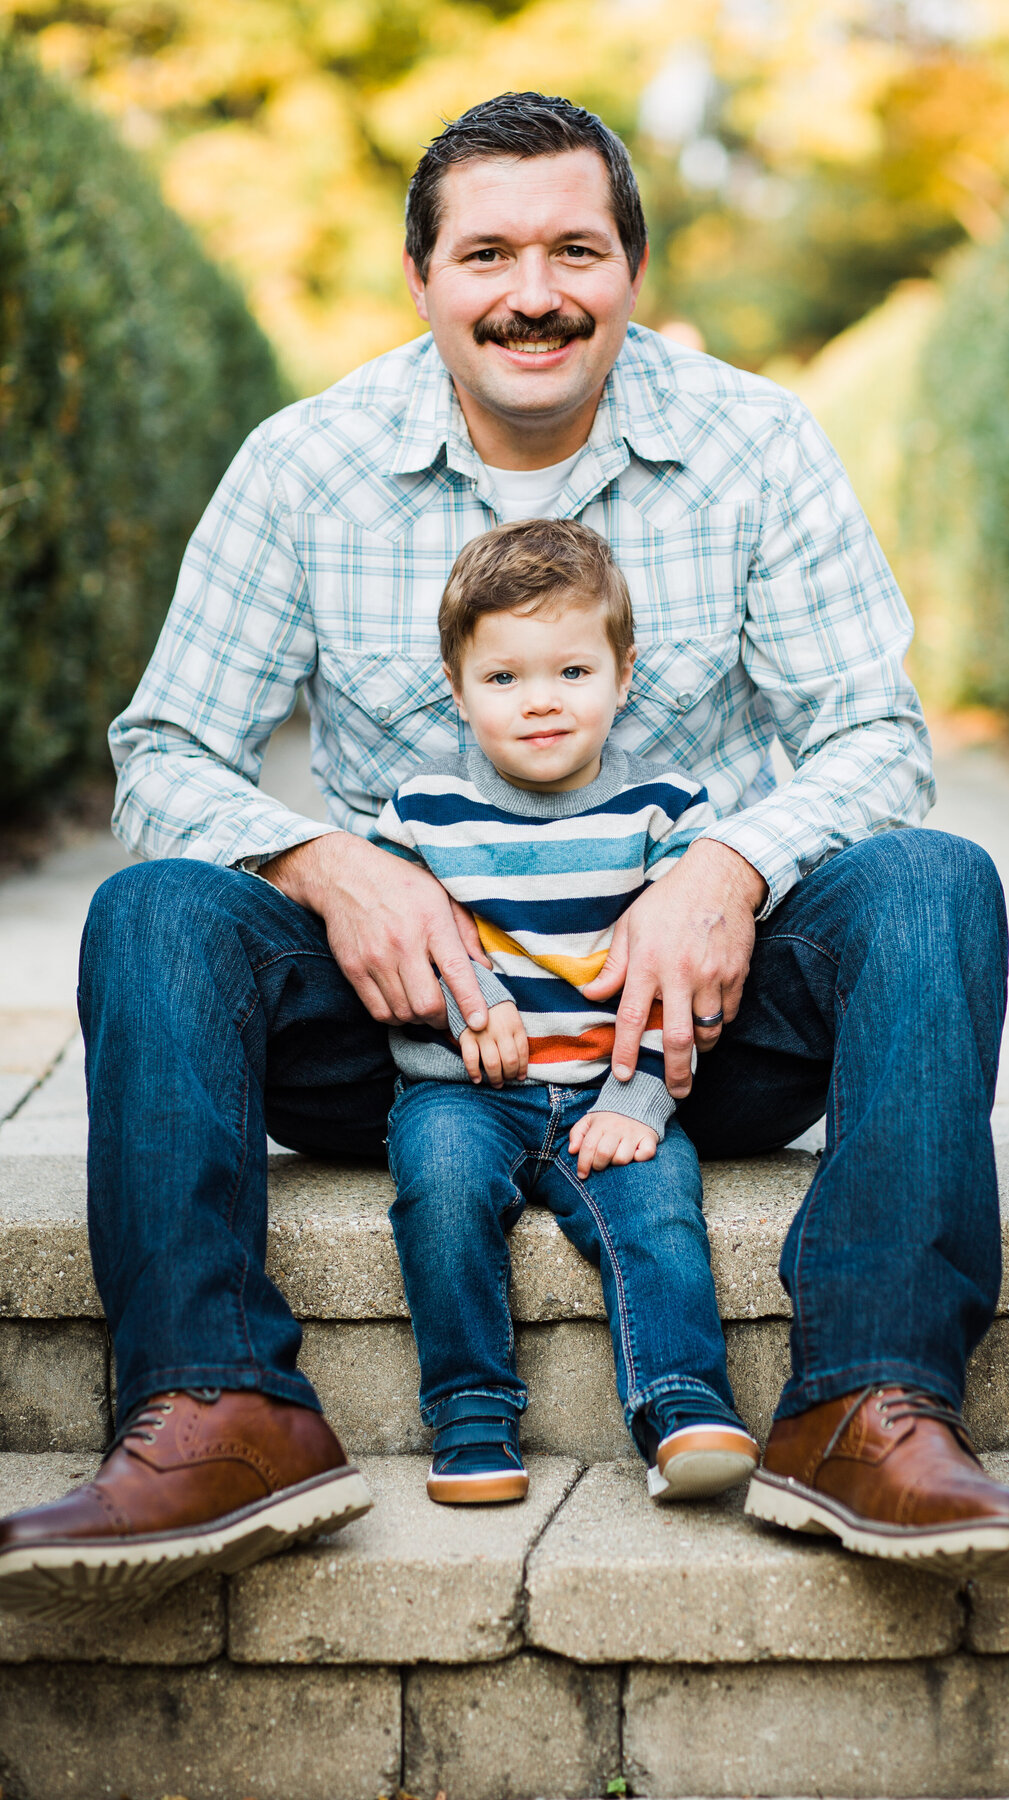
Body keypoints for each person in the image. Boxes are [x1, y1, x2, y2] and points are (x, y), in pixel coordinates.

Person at [0, 88, 1009, 1619]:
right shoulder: (305, 466)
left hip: (684, 1036)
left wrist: (731, 869)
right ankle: (222, 1406)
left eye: (577, 248)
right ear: (422, 277)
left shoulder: (756, 445)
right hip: (412, 1045)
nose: (535, 293)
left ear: (632, 267)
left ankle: (866, 1405)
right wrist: (323, 862)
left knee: (936, 884)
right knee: (156, 913)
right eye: (487, 253)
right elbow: (163, 757)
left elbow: (877, 739)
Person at [379, 517, 757, 1505]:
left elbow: (684, 985)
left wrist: (640, 1102)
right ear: (456, 690)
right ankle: (470, 1419)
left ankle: (685, 1412)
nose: (540, 701)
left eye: (572, 672)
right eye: (503, 678)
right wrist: (471, 1017)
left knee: (660, 1212)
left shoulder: (666, 812)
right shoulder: (418, 816)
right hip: (467, 1092)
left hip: (610, 1088)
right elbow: (398, 970)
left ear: (623, 675)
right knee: (440, 1190)